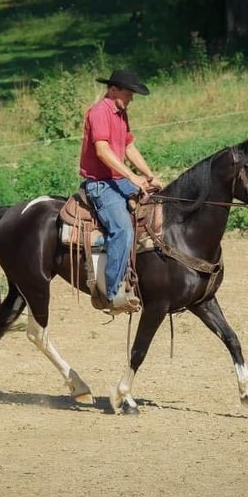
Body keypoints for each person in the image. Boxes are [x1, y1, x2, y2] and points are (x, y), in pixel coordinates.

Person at [78, 69, 162, 314]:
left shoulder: (121, 113)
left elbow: (128, 147)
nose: (131, 99)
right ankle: (111, 294)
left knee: (159, 203)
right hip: (100, 185)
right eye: (128, 94)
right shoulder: (99, 113)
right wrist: (132, 177)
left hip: (118, 180)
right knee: (123, 228)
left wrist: (149, 175)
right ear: (113, 89)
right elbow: (103, 152)